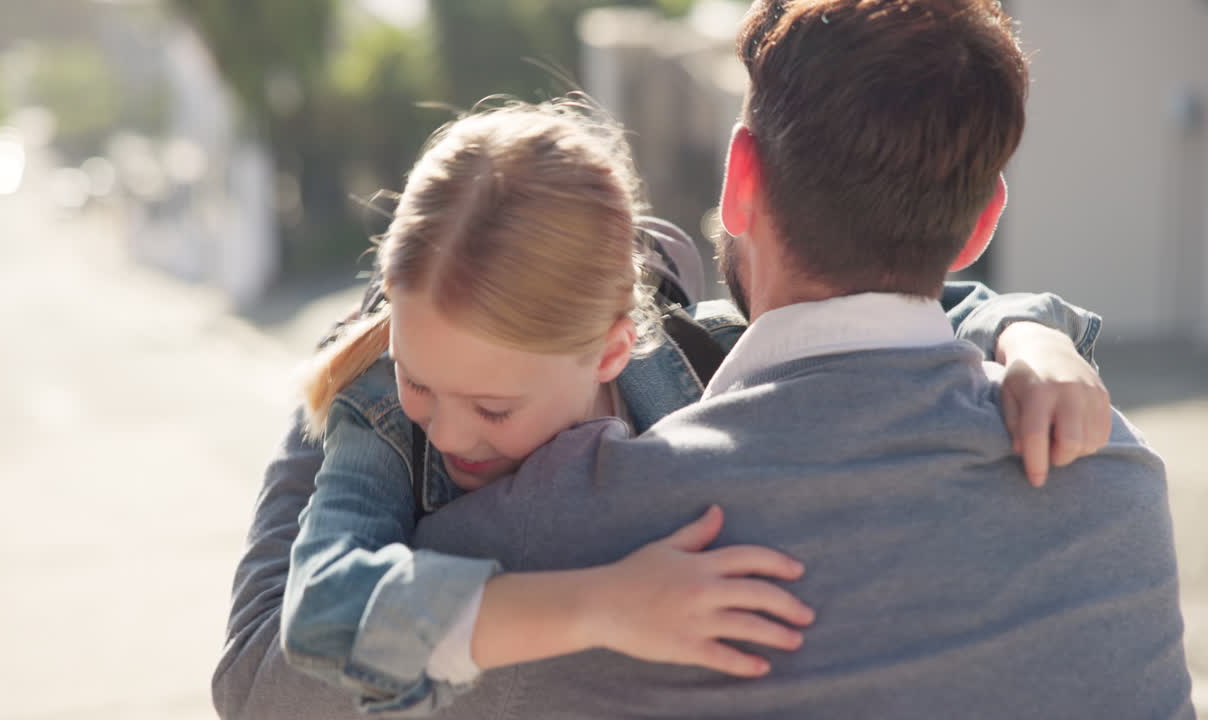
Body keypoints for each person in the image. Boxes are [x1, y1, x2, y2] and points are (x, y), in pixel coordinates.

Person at [393, 0, 1193, 717]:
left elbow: (325, 665)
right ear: (980, 227)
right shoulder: (1112, 478)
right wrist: (1028, 328)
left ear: (739, 177)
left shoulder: (547, 536)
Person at [214, 102, 1119, 720]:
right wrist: (600, 605)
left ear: (613, 349)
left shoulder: (705, 355)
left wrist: (1032, 337)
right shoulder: (377, 415)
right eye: (420, 378)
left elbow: (901, 310)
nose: (445, 432)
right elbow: (323, 616)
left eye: (492, 405)